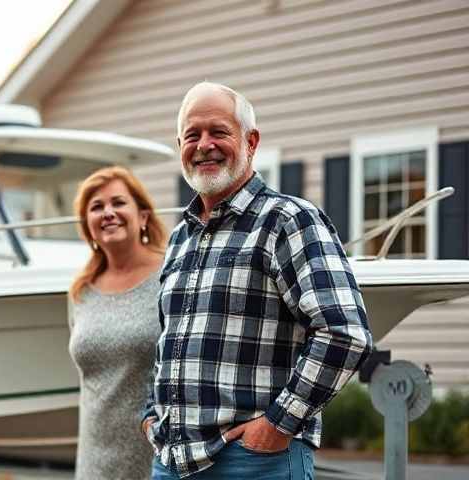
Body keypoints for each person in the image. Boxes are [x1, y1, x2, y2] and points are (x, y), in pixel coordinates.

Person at [142, 82, 374, 479]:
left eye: (218, 132)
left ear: (251, 141)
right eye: (192, 135)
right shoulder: (180, 237)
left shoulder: (288, 220)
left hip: (253, 463)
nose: (204, 145)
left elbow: (344, 333)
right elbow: (169, 341)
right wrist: (151, 415)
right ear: (179, 144)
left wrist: (279, 423)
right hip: (171, 463)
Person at [68, 166, 168, 479]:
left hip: (159, 457)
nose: (108, 213)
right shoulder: (80, 291)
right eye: (97, 208)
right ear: (89, 227)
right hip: (95, 460)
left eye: (118, 203)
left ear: (143, 216)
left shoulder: (172, 275)